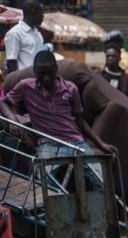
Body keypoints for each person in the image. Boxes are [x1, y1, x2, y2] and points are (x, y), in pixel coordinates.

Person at [0, 51, 115, 184]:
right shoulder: (26, 87)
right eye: (42, 74)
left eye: (50, 73)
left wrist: (101, 144)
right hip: (48, 145)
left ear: (56, 69)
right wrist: (12, 121)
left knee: (101, 180)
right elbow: (3, 102)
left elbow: (79, 120)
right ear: (35, 72)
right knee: (43, 182)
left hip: (76, 142)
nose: (46, 78)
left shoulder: (70, 89)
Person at [4, 0, 45, 75]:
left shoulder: (38, 34)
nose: (43, 16)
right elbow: (11, 62)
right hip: (23, 81)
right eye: (41, 12)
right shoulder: (15, 33)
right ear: (33, 11)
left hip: (38, 81)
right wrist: (17, 84)